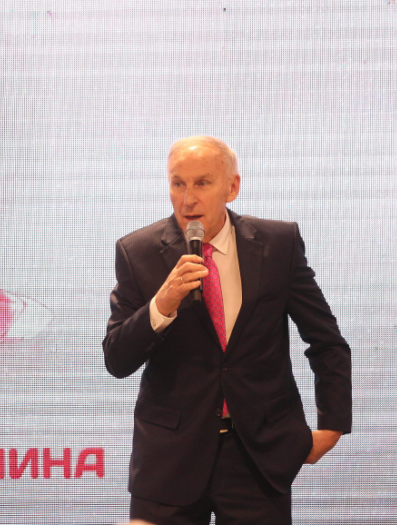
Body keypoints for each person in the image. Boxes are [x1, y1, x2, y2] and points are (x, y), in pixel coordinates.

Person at [103, 136, 352, 524]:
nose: (188, 200)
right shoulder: (138, 252)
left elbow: (326, 340)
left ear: (232, 187)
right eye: (178, 183)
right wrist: (161, 306)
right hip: (170, 460)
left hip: (258, 456)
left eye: (202, 183)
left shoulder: (278, 244)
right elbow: (117, 359)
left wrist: (332, 425)